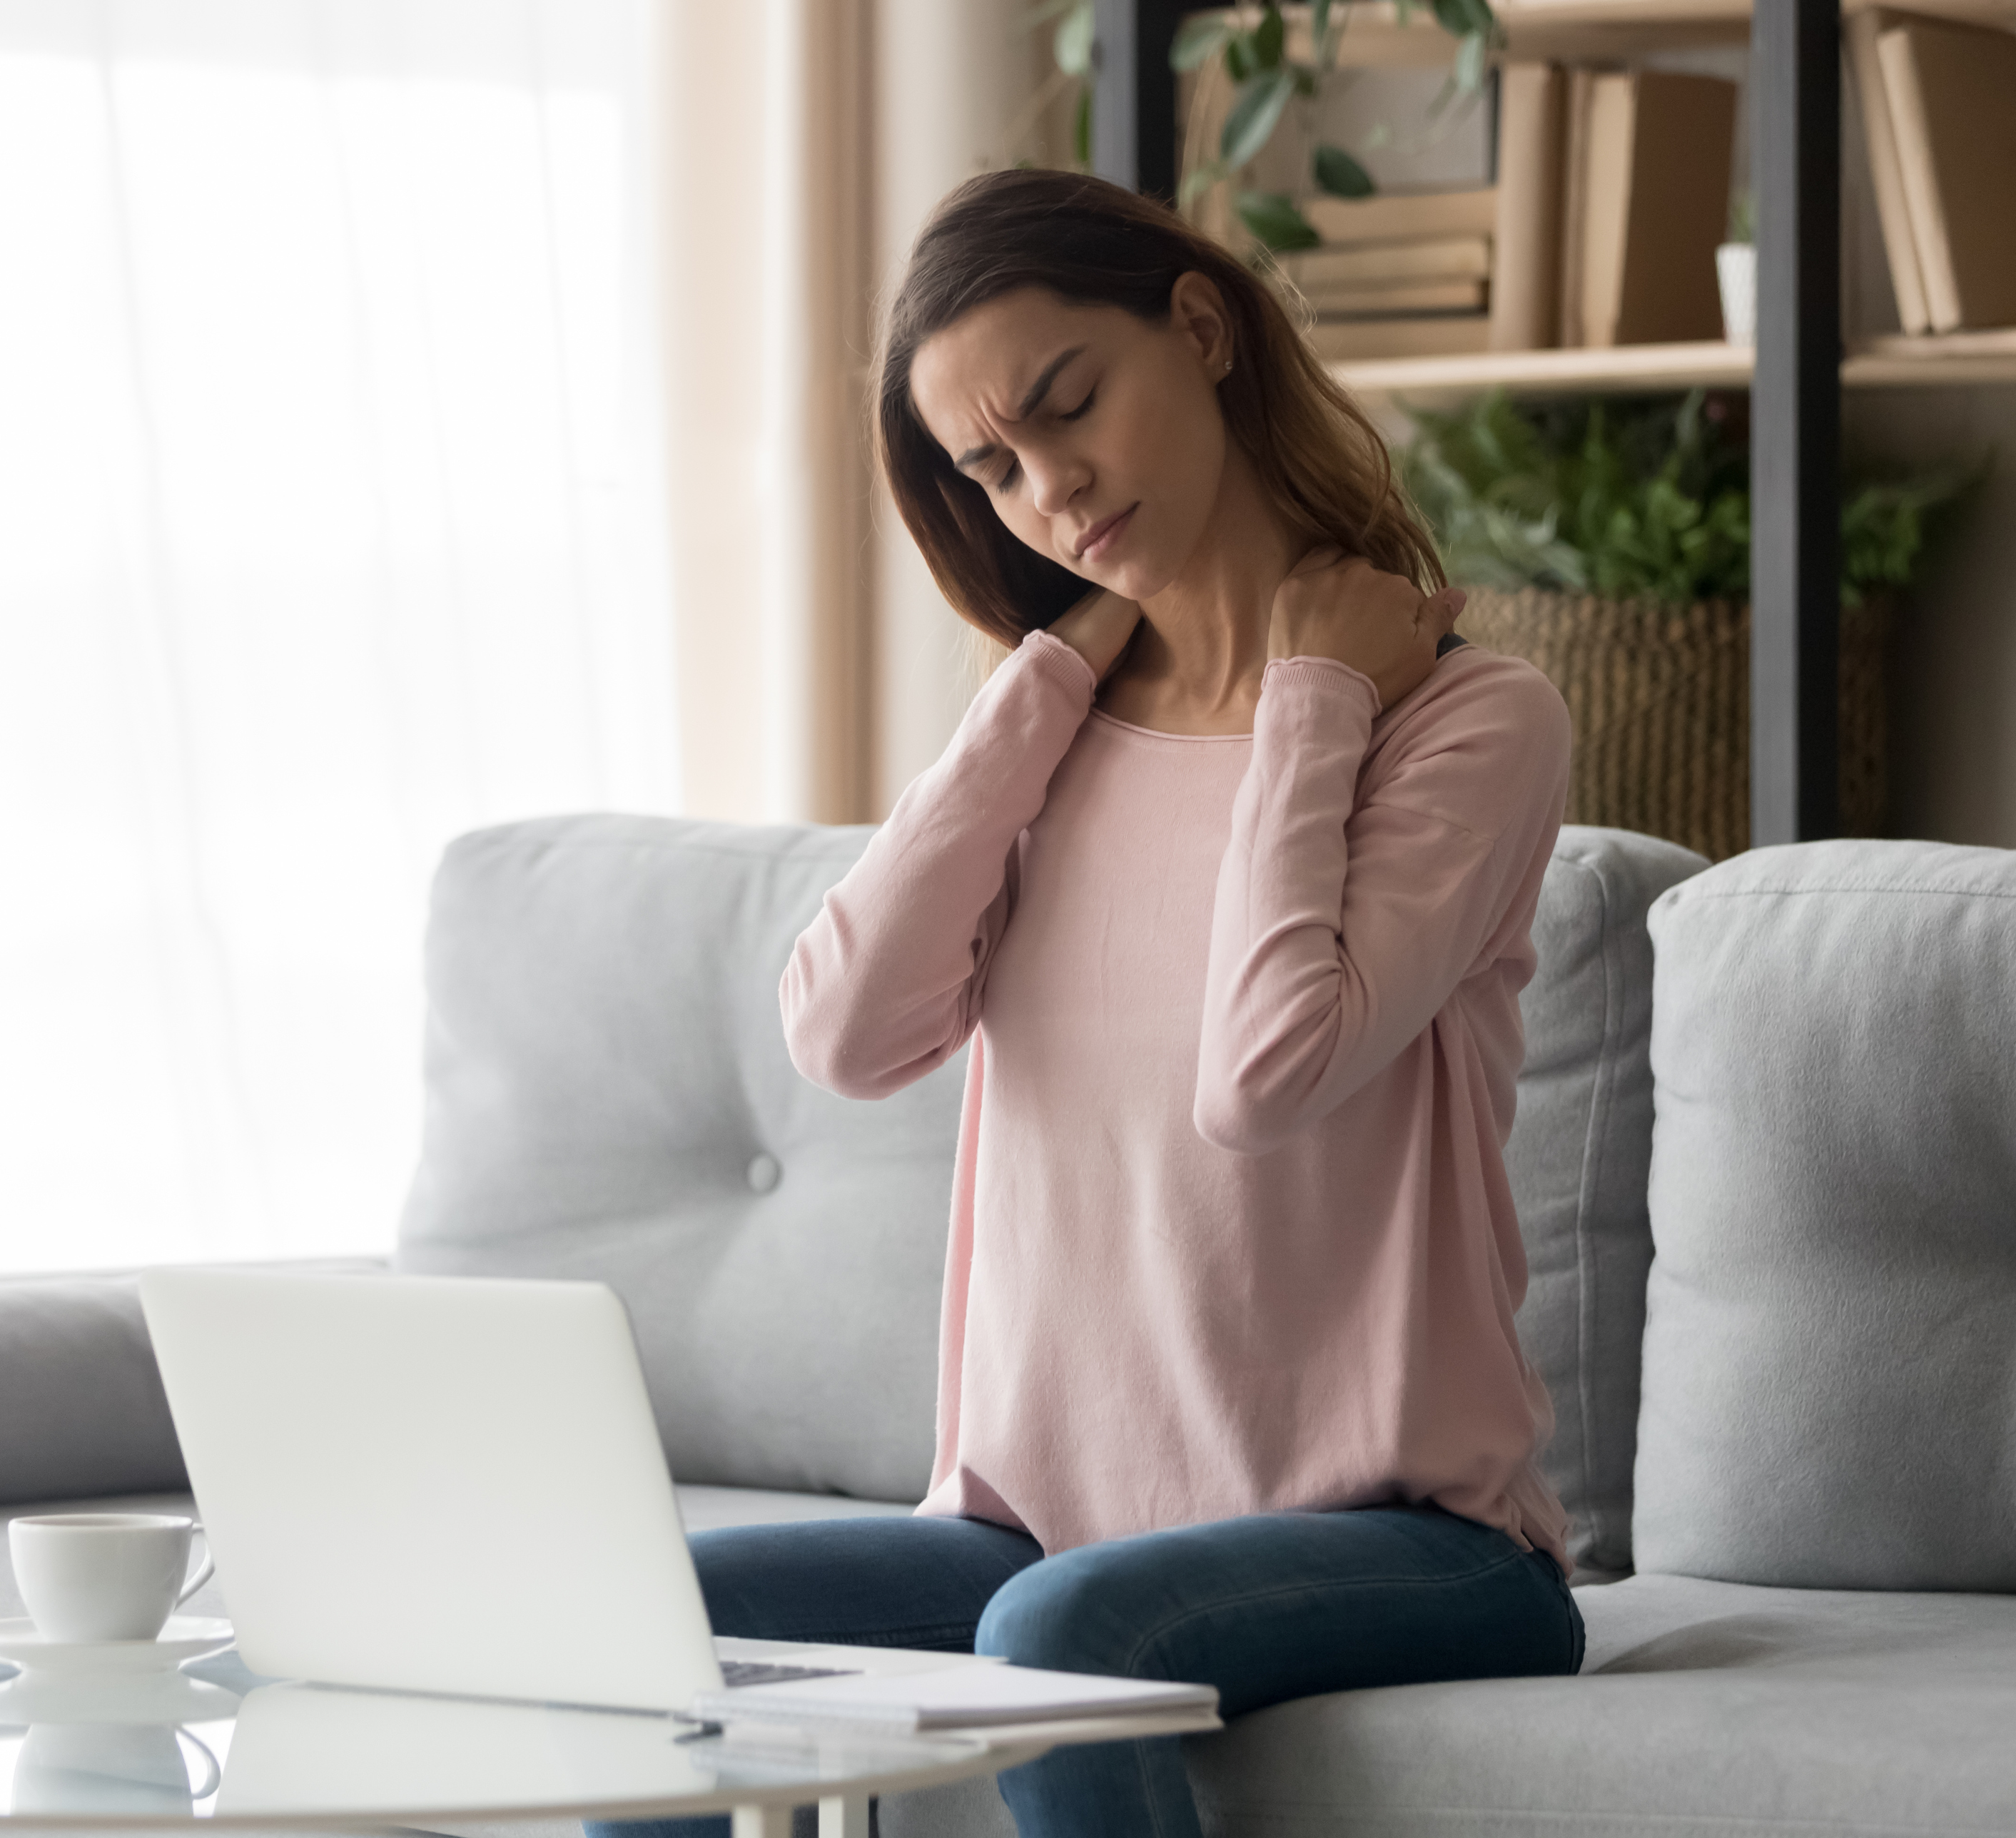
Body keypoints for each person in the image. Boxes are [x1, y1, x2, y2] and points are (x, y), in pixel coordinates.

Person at [603, 167, 1579, 1838]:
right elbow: (843, 1032)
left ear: (1197, 332)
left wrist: (1314, 692)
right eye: (994, 469)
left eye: (1070, 407)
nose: (1049, 488)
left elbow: (1268, 1071)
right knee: (626, 1610)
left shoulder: (1463, 722)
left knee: (1061, 1632)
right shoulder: (1048, 733)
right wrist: (1046, 675)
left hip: (1414, 1537)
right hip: (1037, 1522)